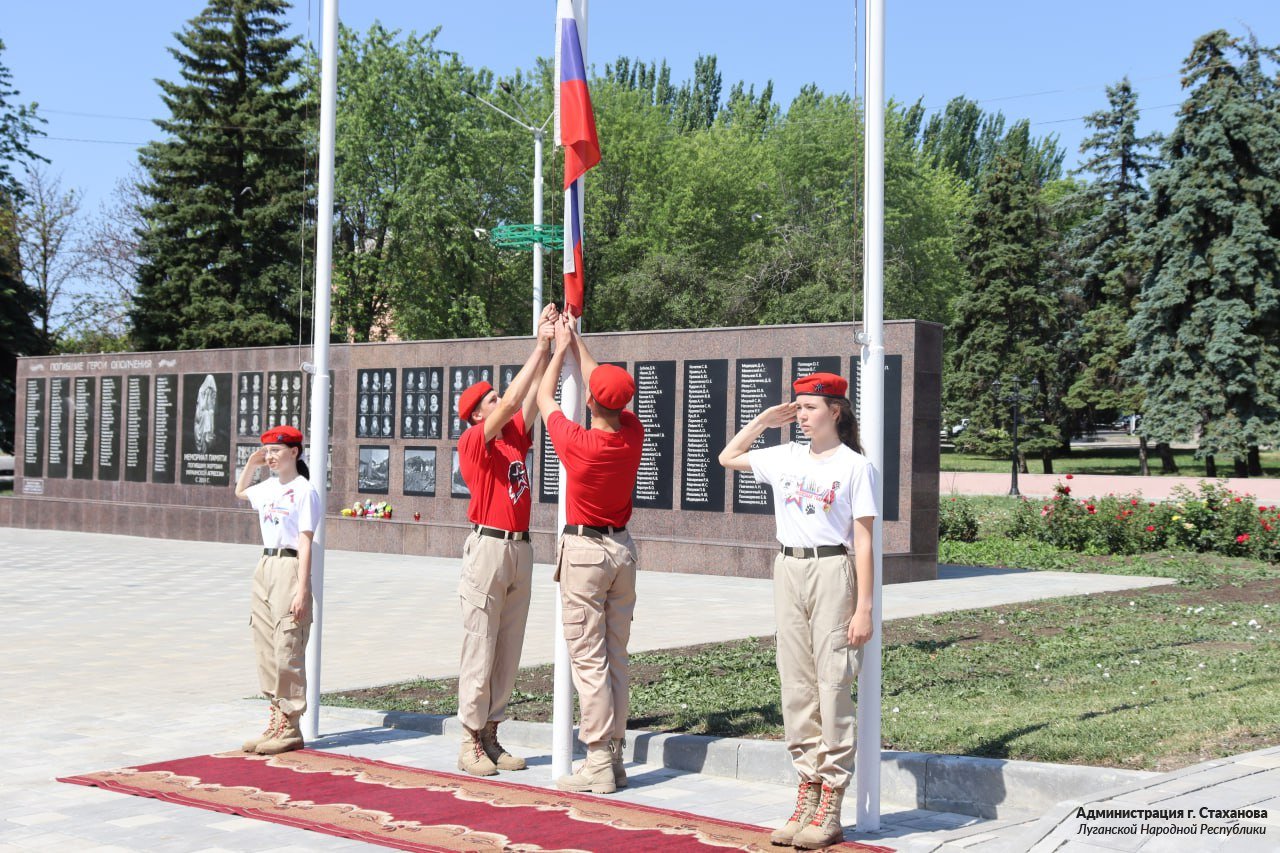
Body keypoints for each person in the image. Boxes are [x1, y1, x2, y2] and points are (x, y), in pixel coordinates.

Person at [718, 372, 877, 850]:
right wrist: (765, 419)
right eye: (798, 408)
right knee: (796, 686)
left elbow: (865, 539)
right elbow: (728, 458)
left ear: (836, 412)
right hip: (787, 568)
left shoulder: (855, 466)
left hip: (832, 570)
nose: (802, 416)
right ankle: (806, 791)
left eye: (810, 408)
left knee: (832, 685)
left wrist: (864, 606)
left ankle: (830, 801)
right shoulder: (784, 456)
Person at [537, 312, 644, 795]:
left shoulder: (579, 443)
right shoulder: (632, 435)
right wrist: (578, 341)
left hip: (584, 553)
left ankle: (598, 760)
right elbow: (606, 387)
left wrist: (560, 348)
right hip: (622, 550)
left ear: (591, 400)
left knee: (588, 660)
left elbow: (543, 397)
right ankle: (614, 757)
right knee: (616, 656)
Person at [453, 303, 560, 776]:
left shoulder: (513, 438)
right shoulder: (475, 441)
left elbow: (535, 397)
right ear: (477, 413)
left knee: (508, 647)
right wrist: (537, 345)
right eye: (492, 399)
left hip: (520, 547)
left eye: (498, 397)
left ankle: (492, 733)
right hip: (488, 548)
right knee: (480, 644)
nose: (501, 401)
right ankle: (468, 739)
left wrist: (557, 344)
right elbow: (518, 398)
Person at [233, 424, 320, 756]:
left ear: (294, 452)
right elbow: (241, 492)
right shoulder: (267, 487)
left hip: (290, 565)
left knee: (288, 644)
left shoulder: (303, 490)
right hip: (266, 566)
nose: (269, 456)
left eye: (275, 451)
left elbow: (306, 541)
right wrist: (251, 464)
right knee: (266, 645)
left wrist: (302, 589)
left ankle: (291, 725)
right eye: (266, 451)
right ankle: (275, 716)